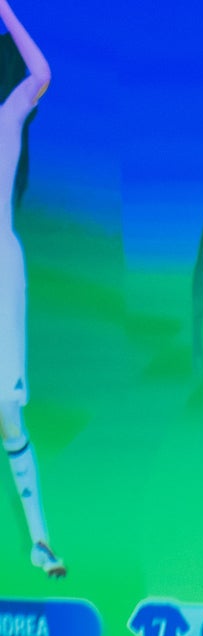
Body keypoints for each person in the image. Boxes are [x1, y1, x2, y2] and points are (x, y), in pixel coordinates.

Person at [0, 0, 56, 577]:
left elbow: (41, 73)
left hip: (1, 271)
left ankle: (40, 540)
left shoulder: (6, 117)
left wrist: (5, 11)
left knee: (8, 415)